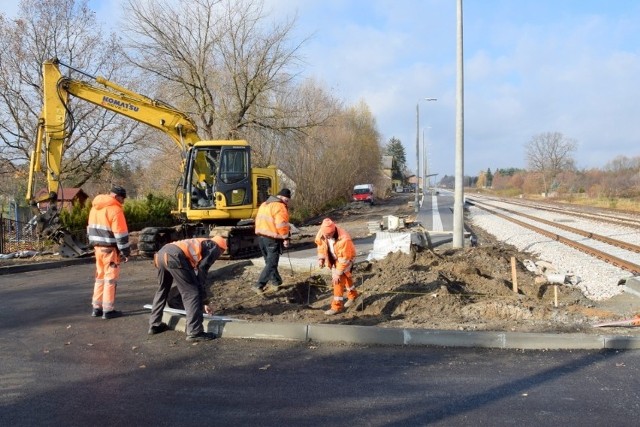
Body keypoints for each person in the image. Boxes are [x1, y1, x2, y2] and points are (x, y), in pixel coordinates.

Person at [148, 235, 228, 341]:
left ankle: (154, 325)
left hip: (161, 254)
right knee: (191, 293)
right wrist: (204, 300)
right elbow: (202, 271)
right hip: (174, 256)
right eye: (221, 252)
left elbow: (194, 269)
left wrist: (203, 301)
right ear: (221, 248)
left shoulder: (201, 243)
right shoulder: (214, 247)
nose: (219, 255)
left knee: (163, 289)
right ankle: (195, 332)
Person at [86, 185, 130, 320]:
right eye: (122, 198)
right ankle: (108, 310)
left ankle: (96, 308)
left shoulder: (95, 208)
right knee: (110, 279)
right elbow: (121, 234)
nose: (123, 201)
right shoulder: (115, 210)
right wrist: (125, 252)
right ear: (117, 196)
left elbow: (89, 229)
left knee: (100, 278)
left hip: (97, 248)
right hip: (110, 249)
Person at [315, 218, 358, 315]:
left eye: (329, 235)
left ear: (333, 231)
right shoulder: (322, 233)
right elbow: (321, 245)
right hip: (334, 257)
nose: (327, 237)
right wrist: (321, 258)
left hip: (346, 258)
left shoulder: (344, 239)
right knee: (346, 276)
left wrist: (337, 273)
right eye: (326, 235)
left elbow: (344, 259)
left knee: (337, 280)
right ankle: (353, 295)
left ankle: (336, 306)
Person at [253, 188, 292, 295]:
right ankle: (259, 285)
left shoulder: (265, 204)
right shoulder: (280, 206)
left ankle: (276, 282)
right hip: (272, 238)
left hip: (261, 236)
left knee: (269, 262)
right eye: (287, 199)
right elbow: (282, 224)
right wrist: (286, 238)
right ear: (282, 197)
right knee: (272, 263)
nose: (287, 202)